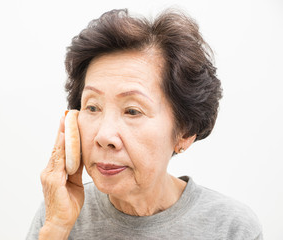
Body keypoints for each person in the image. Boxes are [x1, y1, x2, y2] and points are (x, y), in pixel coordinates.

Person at [26, 8, 262, 240]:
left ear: (185, 131)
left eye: (132, 111)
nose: (104, 136)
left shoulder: (231, 228)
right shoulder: (59, 211)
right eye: (92, 107)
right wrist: (56, 228)